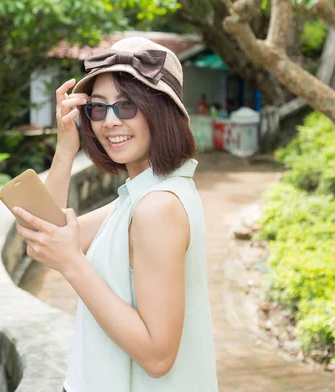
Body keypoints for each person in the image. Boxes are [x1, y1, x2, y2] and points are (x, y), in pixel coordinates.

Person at [13, 37, 219, 392]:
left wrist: (73, 264)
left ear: (161, 110)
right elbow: (44, 233)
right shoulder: (141, 196)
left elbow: (158, 356)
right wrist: (65, 149)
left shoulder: (157, 207)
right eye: (98, 108)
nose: (109, 122)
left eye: (126, 106)